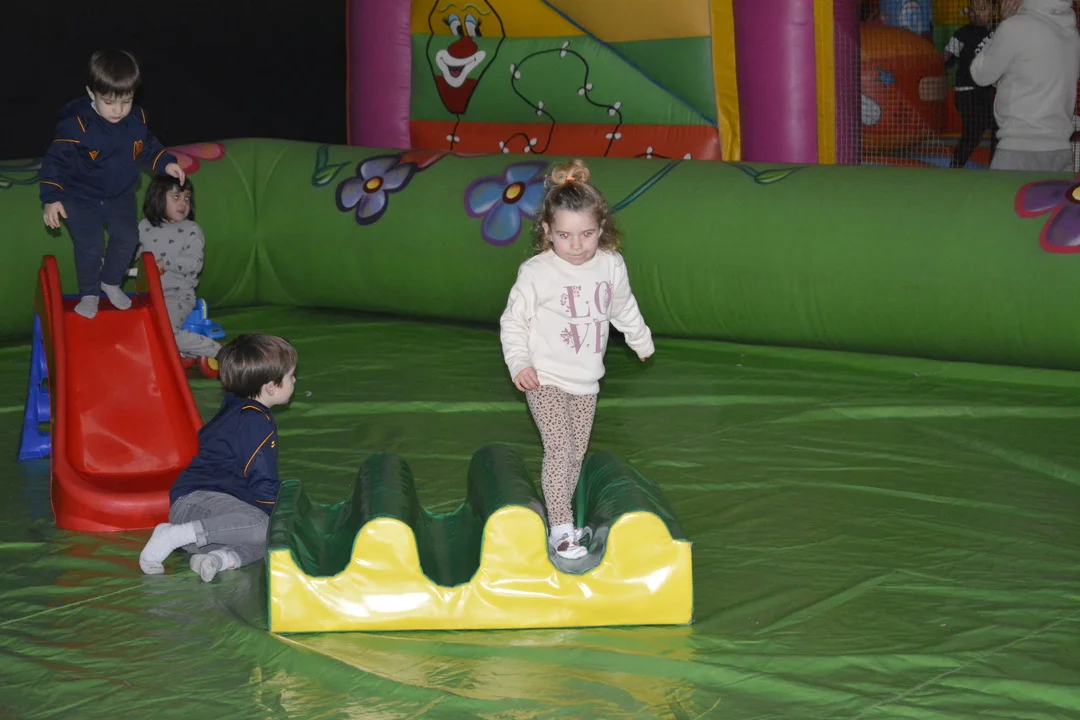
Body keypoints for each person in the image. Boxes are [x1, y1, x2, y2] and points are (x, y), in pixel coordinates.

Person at [499, 159, 654, 561]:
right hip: (544, 376)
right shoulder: (537, 272)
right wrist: (520, 363)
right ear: (547, 231)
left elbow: (622, 306)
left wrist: (640, 340)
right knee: (559, 448)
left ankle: (561, 517)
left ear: (601, 228)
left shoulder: (610, 264)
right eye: (565, 235)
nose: (577, 245)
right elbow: (514, 321)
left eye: (587, 234)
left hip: (586, 380)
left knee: (574, 454)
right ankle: (561, 529)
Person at [138, 333, 297, 582]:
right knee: (265, 527)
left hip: (208, 525)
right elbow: (262, 477)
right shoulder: (255, 421)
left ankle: (216, 559)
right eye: (290, 376)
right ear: (270, 387)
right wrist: (280, 514)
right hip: (197, 503)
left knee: (266, 542)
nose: (294, 380)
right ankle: (172, 536)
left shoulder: (237, 405)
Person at [39, 49, 185, 319]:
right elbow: (55, 162)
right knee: (91, 245)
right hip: (79, 196)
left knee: (128, 238)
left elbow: (149, 148)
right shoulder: (77, 126)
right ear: (91, 93)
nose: (118, 110)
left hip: (119, 195)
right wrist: (51, 197)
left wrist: (166, 163)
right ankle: (90, 293)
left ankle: (110, 282)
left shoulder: (137, 120)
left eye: (126, 101)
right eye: (109, 102)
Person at [970, 0, 1080, 172]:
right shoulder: (1072, 35)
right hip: (1060, 151)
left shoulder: (1014, 28)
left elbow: (981, 74)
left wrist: (1001, 27)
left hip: (1018, 149)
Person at [136, 176, 221, 358]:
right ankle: (182, 352)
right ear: (158, 197)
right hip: (147, 297)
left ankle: (219, 352)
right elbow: (130, 253)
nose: (183, 203)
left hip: (177, 296)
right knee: (139, 333)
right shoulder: (144, 226)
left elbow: (195, 264)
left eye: (187, 198)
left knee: (166, 334)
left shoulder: (191, 229)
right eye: (176, 197)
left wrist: (166, 262)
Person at [943, 0, 998, 167]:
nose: (978, 14)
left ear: (993, 10)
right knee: (973, 131)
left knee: (998, 126)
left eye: (983, 9)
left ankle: (995, 165)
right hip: (966, 92)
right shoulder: (963, 33)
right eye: (974, 10)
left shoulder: (997, 34)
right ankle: (955, 166)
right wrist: (943, 59)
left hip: (983, 93)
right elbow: (947, 56)